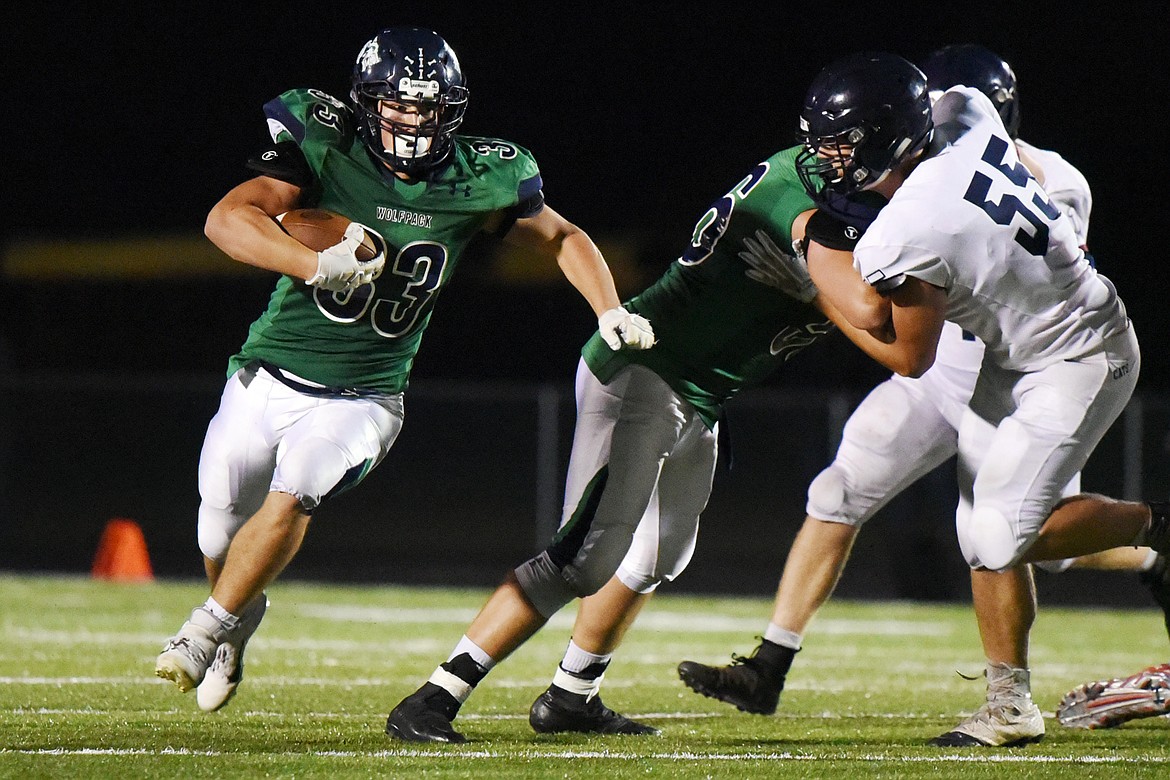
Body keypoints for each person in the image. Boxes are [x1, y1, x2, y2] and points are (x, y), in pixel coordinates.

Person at [153, 26, 655, 712]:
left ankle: (203, 629)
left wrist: (607, 308)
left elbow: (562, 235)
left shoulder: (481, 176)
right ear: (367, 103)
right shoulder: (326, 147)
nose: (415, 120)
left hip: (366, 394)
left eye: (429, 106)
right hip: (268, 371)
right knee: (217, 528)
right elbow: (226, 219)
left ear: (453, 108)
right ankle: (237, 625)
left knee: (299, 485)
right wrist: (314, 262)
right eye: (400, 105)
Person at [678, 44, 1168, 747]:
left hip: (1076, 355)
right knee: (984, 532)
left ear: (889, 138)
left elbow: (908, 352)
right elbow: (956, 110)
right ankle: (1007, 704)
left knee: (1006, 533)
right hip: (1016, 349)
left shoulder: (910, 226)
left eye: (841, 147)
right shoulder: (965, 115)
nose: (828, 161)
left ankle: (1157, 529)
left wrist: (815, 274)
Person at [383, 139, 883, 743]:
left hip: (700, 394)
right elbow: (872, 312)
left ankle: (572, 695)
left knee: (656, 558)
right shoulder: (797, 197)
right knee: (581, 559)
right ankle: (435, 697)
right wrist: (826, 289)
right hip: (646, 370)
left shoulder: (842, 197)